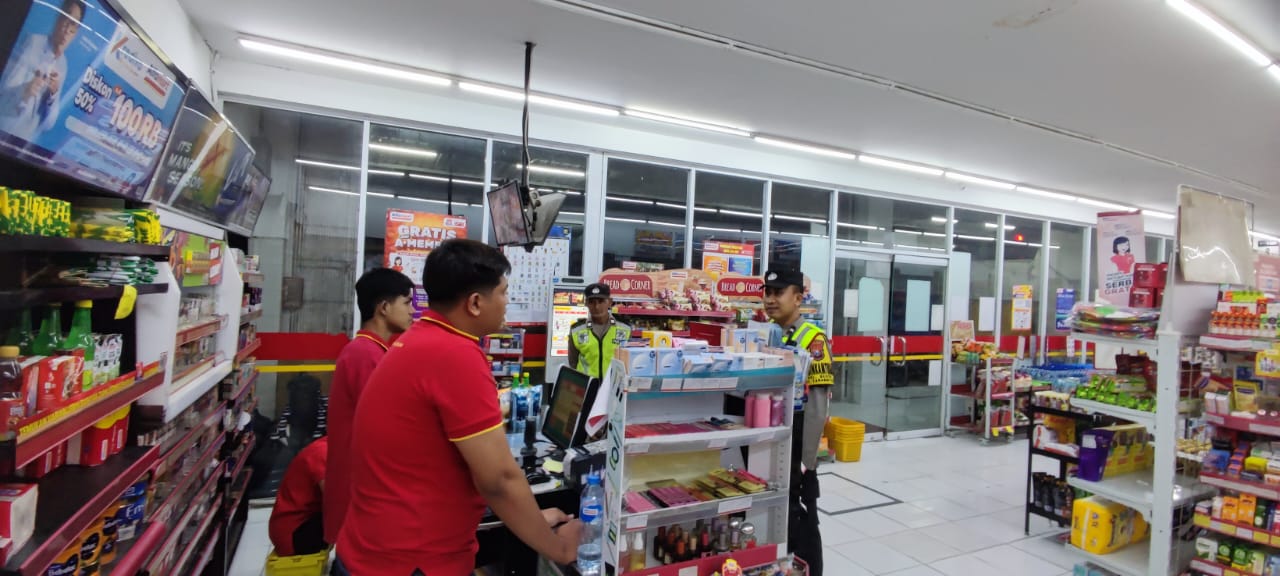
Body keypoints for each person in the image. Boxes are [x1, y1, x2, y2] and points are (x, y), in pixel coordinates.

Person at [335, 239, 580, 575]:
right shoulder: (454, 354)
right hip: (411, 561)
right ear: (476, 303)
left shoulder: (420, 339)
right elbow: (498, 480)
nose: (507, 302)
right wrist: (559, 547)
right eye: (504, 292)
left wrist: (533, 519)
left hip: (377, 548)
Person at [322, 267, 415, 546]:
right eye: (407, 302)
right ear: (384, 308)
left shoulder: (372, 350)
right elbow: (384, 427)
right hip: (359, 491)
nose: (412, 311)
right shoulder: (365, 354)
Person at [762, 267, 832, 576]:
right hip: (776, 436)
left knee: (802, 519)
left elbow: (817, 406)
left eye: (778, 293)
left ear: (798, 298)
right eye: (767, 293)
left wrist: (808, 464)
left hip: (798, 438)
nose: (770, 299)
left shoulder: (814, 340)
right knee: (779, 516)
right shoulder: (770, 334)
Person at [0, 0, 83, 142]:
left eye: (74, 24)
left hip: (23, 142)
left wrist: (53, 95)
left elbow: (48, 125)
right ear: (58, 18)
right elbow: (3, 94)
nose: (68, 30)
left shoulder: (63, 64)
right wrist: (25, 92)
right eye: (66, 19)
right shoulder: (33, 43)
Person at [268, 437, 328, 557]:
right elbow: (335, 501)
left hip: (302, 524)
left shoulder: (328, 446)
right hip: (293, 534)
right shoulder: (323, 453)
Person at [567, 283, 631, 378]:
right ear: (586, 303)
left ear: (610, 302)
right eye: (591, 302)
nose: (596, 306)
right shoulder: (577, 330)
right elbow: (573, 363)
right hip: (587, 385)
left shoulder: (625, 329)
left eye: (601, 301)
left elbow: (629, 361)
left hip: (613, 385)